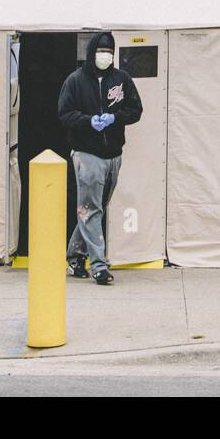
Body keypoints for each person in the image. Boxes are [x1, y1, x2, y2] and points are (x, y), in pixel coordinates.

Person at [57, 31, 143, 285]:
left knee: (95, 208)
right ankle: (99, 266)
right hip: (87, 153)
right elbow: (64, 113)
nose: (105, 55)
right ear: (91, 52)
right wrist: (88, 122)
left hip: (114, 153)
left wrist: (115, 118)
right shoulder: (75, 81)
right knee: (91, 209)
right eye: (101, 50)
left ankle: (74, 257)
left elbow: (136, 110)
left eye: (109, 51)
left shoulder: (122, 79)